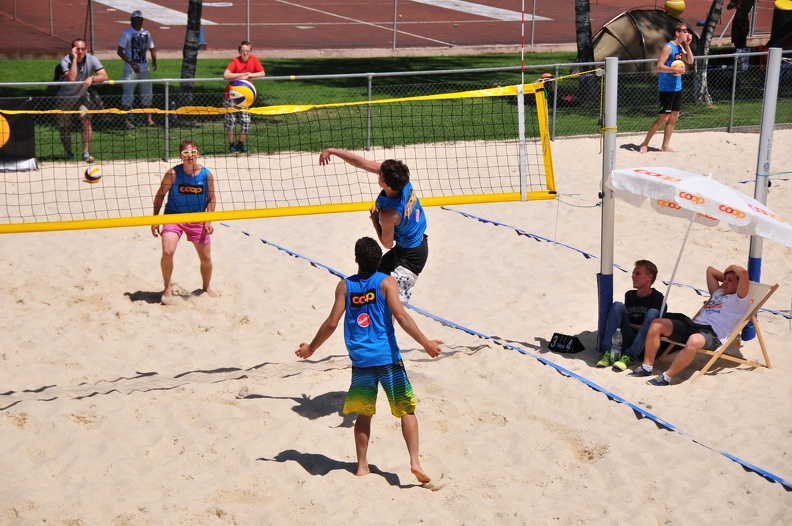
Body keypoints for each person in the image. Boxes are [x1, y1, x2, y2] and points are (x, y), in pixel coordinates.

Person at [295, 237, 443, 482]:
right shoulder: (387, 282)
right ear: (379, 261)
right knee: (407, 410)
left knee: (364, 414)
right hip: (387, 357)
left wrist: (311, 348)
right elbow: (402, 317)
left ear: (356, 260)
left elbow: (332, 323)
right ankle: (415, 462)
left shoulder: (345, 286)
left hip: (361, 361)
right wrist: (425, 343)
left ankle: (362, 466)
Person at [319, 148, 428, 305]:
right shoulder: (402, 181)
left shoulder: (388, 214)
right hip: (406, 245)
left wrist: (375, 220)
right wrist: (332, 151)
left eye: (380, 176)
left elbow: (387, 244)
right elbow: (361, 163)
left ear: (387, 185)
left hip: (412, 257)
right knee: (372, 287)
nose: (378, 174)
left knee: (393, 304)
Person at [628, 264, 750, 386]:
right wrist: (728, 275)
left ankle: (666, 377)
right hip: (693, 325)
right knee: (656, 324)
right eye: (724, 279)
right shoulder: (718, 293)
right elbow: (710, 270)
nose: (724, 282)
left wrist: (731, 267)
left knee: (693, 340)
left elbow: (743, 273)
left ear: (739, 285)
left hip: (711, 333)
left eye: (730, 280)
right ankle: (646, 367)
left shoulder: (739, 301)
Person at [151, 139, 217, 305]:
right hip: (174, 216)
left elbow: (212, 198)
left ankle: (206, 286)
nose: (190, 156)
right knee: (167, 252)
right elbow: (160, 195)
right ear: (181, 156)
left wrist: (208, 219)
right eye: (186, 153)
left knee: (206, 257)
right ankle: (167, 287)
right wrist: (155, 219)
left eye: (193, 153)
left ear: (198, 154)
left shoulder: (206, 175)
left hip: (197, 218)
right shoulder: (173, 174)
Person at [596, 260, 665, 371]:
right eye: (633, 273)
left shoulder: (657, 297)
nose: (633, 276)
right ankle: (607, 352)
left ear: (649, 277)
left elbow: (654, 328)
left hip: (644, 344)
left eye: (637, 273)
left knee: (653, 313)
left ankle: (629, 356)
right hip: (627, 337)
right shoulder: (630, 295)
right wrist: (627, 324)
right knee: (617, 306)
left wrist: (628, 324)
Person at [639, 23, 695, 154]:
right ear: (677, 32)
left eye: (687, 31)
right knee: (663, 118)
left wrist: (687, 45)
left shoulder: (680, 47)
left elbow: (691, 61)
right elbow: (659, 67)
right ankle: (645, 143)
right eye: (684, 31)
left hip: (677, 87)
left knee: (674, 116)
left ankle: (665, 146)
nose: (687, 33)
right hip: (666, 88)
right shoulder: (668, 47)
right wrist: (674, 69)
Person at [56, 39, 108, 163]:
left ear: (86, 49)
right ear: (72, 50)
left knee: (86, 121)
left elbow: (104, 76)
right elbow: (72, 78)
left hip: (82, 96)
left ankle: (86, 153)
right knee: (64, 127)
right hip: (64, 97)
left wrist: (92, 78)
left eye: (83, 49)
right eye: (77, 49)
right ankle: (69, 153)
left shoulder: (91, 59)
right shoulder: (65, 61)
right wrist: (74, 59)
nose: (80, 52)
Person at [222, 41, 266, 153]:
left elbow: (262, 73)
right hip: (231, 95)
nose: (245, 53)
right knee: (230, 121)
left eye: (247, 50)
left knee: (246, 121)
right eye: (243, 50)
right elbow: (226, 75)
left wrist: (249, 75)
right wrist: (240, 76)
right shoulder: (235, 61)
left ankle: (240, 144)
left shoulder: (254, 59)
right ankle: (231, 145)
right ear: (239, 52)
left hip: (246, 96)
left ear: (251, 51)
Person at [117, 9, 157, 129]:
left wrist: (154, 60)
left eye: (140, 19)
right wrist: (131, 63)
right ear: (131, 21)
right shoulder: (127, 33)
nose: (138, 21)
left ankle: (149, 119)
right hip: (130, 69)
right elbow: (120, 51)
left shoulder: (146, 33)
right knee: (128, 93)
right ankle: (126, 120)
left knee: (147, 93)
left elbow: (152, 48)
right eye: (136, 19)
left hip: (144, 67)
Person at [728, 0, 755, 70]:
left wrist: (737, 6)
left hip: (743, 21)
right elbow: (729, 7)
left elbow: (747, 10)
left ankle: (743, 64)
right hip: (737, 20)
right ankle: (738, 63)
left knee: (742, 41)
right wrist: (732, 4)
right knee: (736, 41)